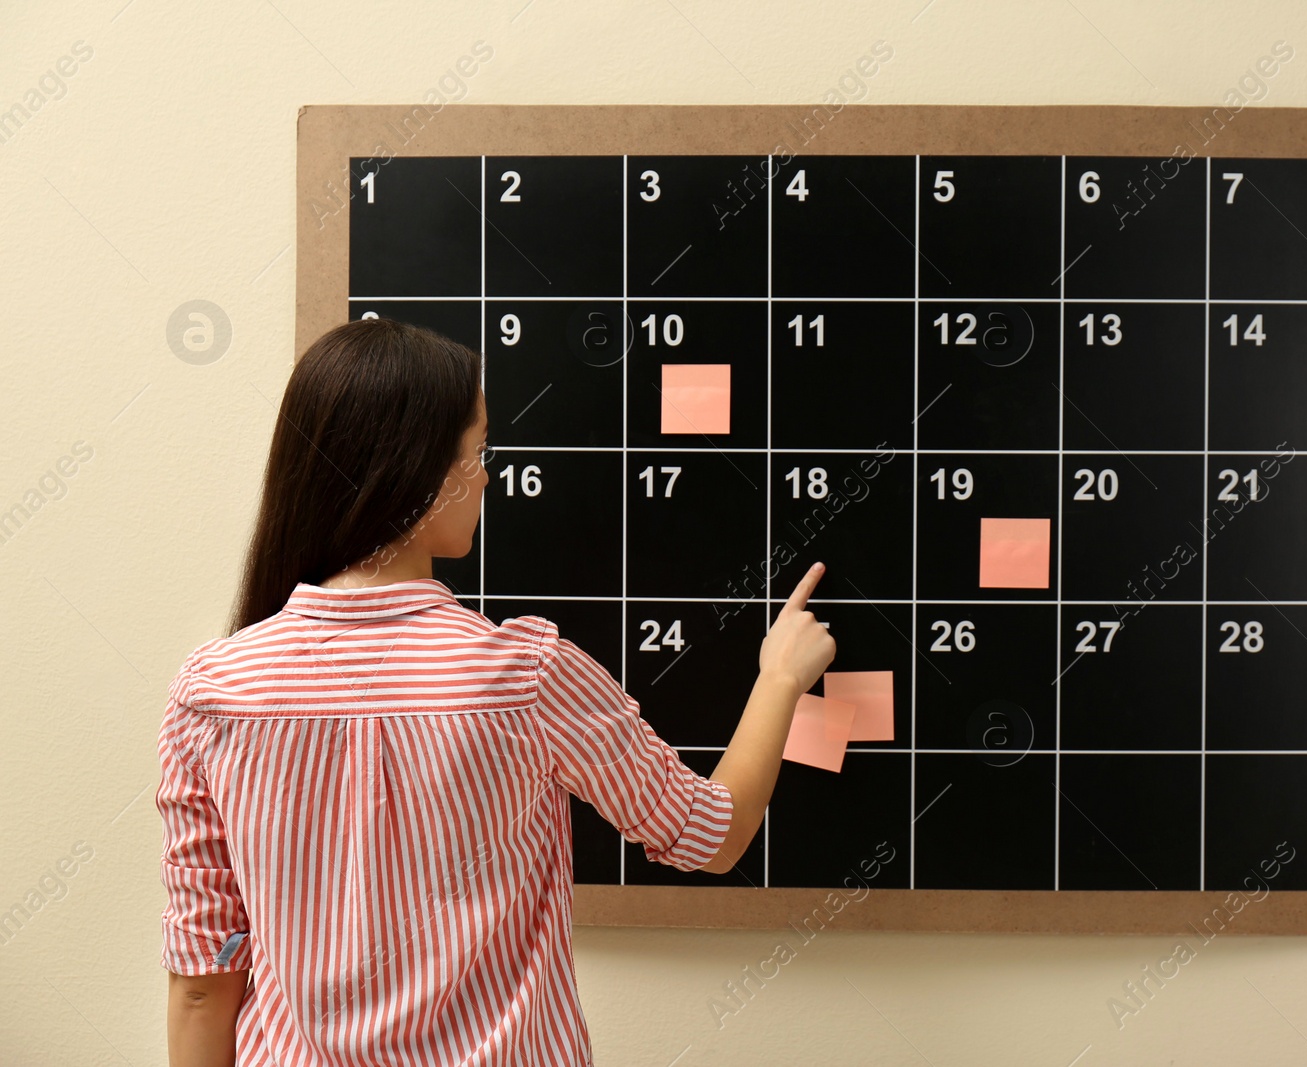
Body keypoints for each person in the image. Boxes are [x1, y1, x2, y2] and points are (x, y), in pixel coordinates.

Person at [158, 317, 835, 1066]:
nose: (485, 476)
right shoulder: (527, 674)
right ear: (416, 470)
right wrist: (779, 678)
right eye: (477, 451)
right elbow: (712, 834)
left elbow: (202, 985)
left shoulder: (210, 691)